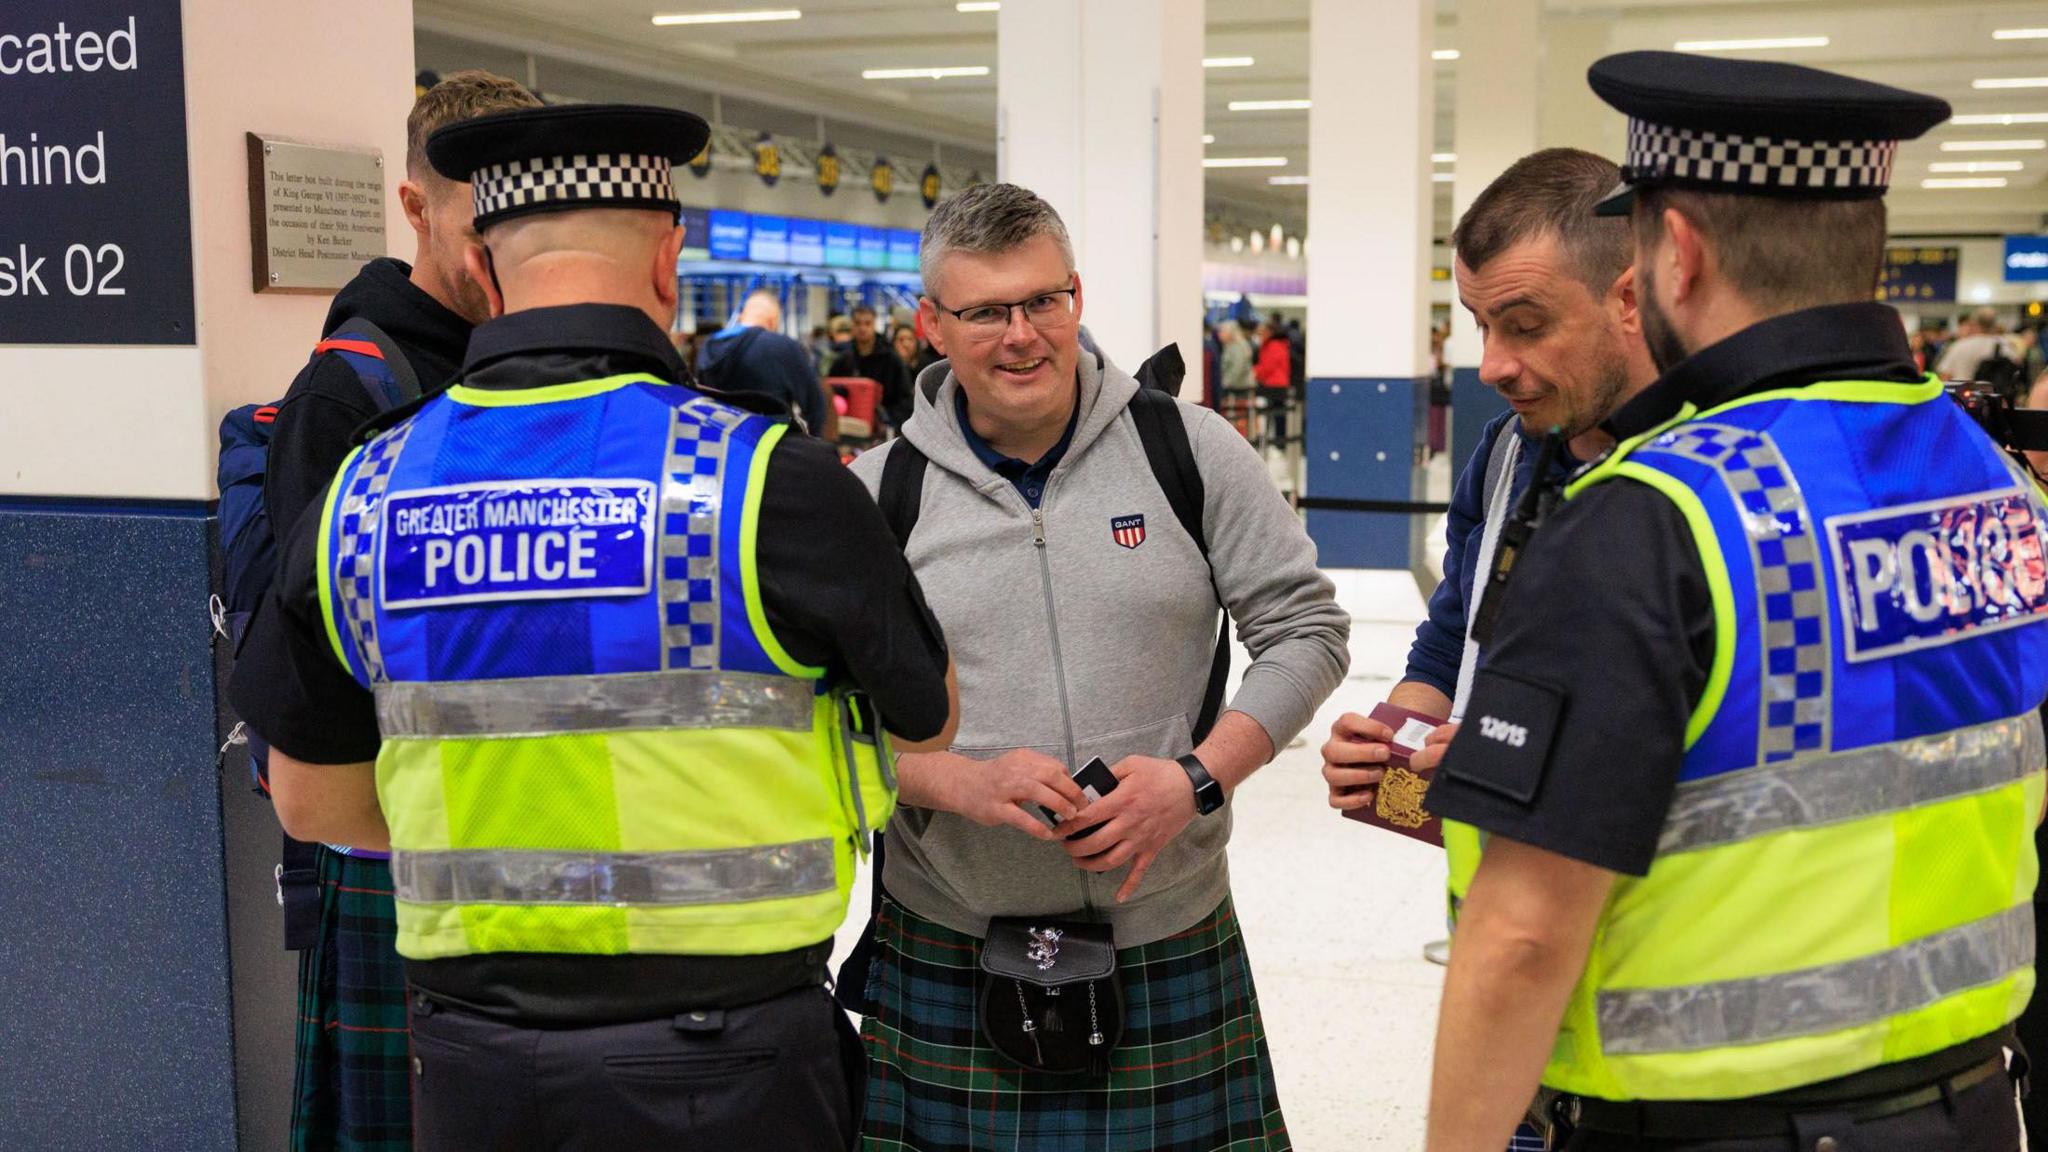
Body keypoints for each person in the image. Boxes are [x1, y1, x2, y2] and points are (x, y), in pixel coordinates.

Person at [229, 102, 960, 1151]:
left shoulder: (364, 492)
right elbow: (926, 722)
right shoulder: (765, 480)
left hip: (473, 1065)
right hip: (730, 1064)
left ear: (483, 265)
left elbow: (308, 801)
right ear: (668, 261)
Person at [1417, 52, 2048, 1152]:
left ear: (1675, 251)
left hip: (1712, 1129)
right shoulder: (1990, 479)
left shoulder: (1652, 516)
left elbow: (1521, 938)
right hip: (1972, 1107)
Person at [848, 181, 1349, 1150]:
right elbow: (808, 719)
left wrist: (1197, 779)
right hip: (949, 939)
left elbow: (1305, 629)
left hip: (1165, 934)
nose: (1022, 335)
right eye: (986, 311)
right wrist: (948, 779)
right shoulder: (879, 497)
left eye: (1043, 300)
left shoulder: (1186, 449)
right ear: (930, 325)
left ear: (1075, 295)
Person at [1319, 147, 1658, 1152]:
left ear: (1630, 298)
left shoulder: (1692, 494)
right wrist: (1400, 730)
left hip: (1638, 1001)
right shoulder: (1511, 447)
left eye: (1524, 324)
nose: (1489, 364)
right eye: (1476, 324)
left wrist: (1496, 763)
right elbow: (1455, 623)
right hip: (1502, 971)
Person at [257, 68, 541, 1152]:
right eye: (484, 220)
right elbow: (317, 670)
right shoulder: (355, 387)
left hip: (527, 850)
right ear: (416, 206)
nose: (508, 250)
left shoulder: (539, 361)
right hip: (398, 858)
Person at [698, 288, 834, 435]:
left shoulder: (708, 346)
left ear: (741, 316)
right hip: (769, 445)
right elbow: (815, 405)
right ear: (773, 320)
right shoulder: (782, 346)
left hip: (720, 443)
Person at [830, 304, 913, 429]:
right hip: (850, 425)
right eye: (858, 323)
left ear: (874, 325)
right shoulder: (842, 360)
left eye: (867, 323)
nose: (862, 328)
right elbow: (831, 392)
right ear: (852, 325)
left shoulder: (891, 359)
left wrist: (889, 421)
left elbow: (905, 398)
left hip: (885, 426)